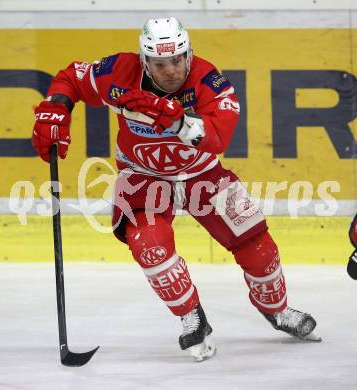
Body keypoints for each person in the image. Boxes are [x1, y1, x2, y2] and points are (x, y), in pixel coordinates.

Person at [32, 17, 320, 362]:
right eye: (159, 63)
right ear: (144, 61)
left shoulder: (208, 80)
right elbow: (73, 77)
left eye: (177, 60)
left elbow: (220, 135)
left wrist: (179, 122)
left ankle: (276, 310)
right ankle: (191, 317)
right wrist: (55, 108)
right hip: (142, 175)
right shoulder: (119, 72)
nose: (170, 70)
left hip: (203, 172)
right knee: (149, 245)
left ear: (189, 54)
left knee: (259, 249)